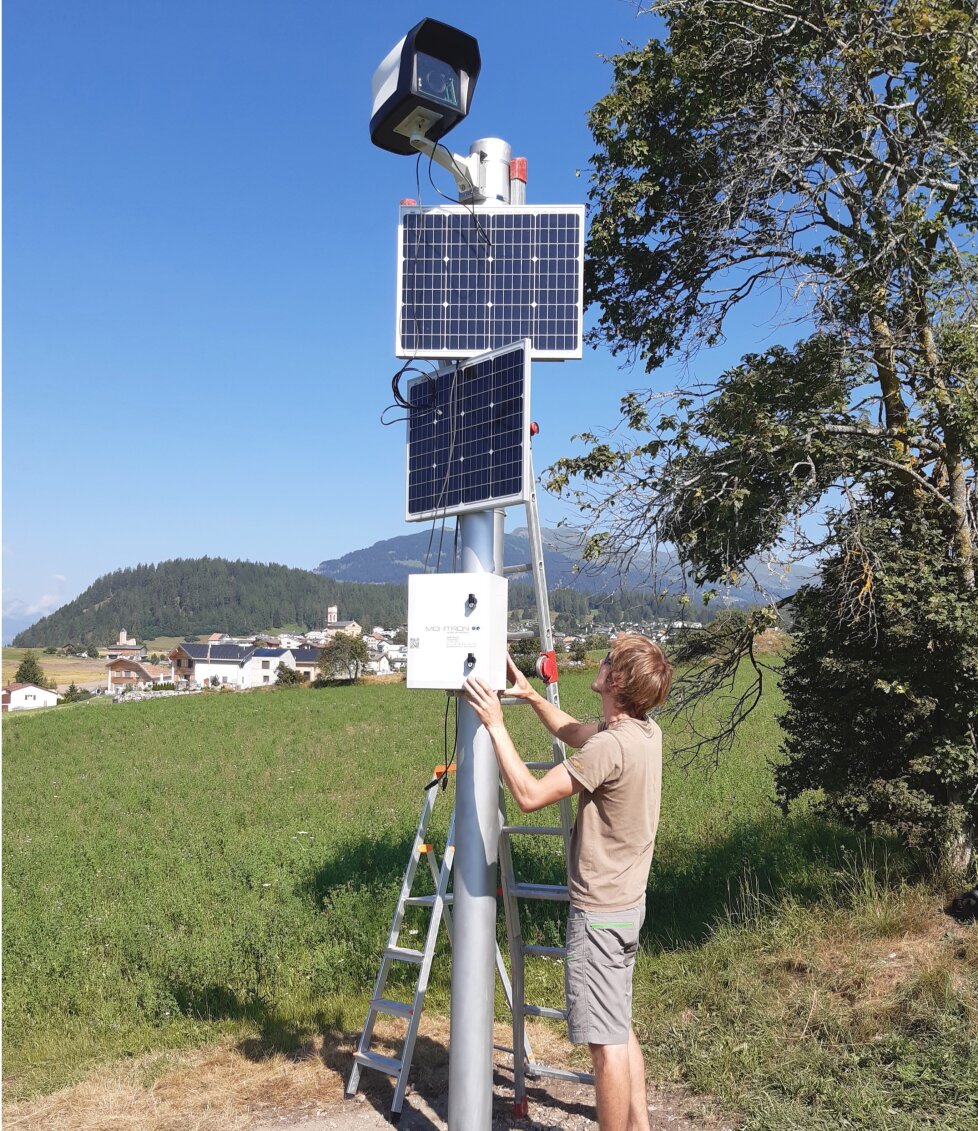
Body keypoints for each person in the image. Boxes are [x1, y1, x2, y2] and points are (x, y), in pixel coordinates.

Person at [463, 635, 673, 1131]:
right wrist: (533, 697)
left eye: (607, 662)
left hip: (598, 916)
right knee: (618, 1024)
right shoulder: (643, 733)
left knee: (605, 1047)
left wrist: (495, 724)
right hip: (626, 905)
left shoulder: (610, 748)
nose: (598, 665)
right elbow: (578, 731)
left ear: (617, 682)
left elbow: (531, 795)